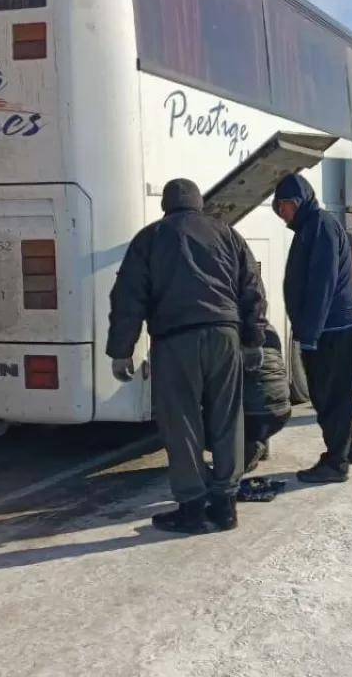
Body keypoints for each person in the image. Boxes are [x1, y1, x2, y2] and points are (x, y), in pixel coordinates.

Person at [107, 178, 266, 534]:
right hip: (225, 335)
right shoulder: (227, 234)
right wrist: (253, 340)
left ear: (166, 204)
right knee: (227, 417)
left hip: (175, 340)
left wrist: (121, 350)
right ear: (199, 203)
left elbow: (128, 296)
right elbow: (252, 288)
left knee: (181, 422)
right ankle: (226, 507)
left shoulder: (150, 238)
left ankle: (192, 509)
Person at [272, 174, 352, 483]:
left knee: (330, 396)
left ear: (296, 202)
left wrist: (309, 333)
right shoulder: (311, 226)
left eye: (281, 205)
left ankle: (336, 463)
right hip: (330, 326)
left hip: (332, 328)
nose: (279, 212)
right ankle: (349, 447)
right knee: (331, 394)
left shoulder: (320, 226)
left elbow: (321, 284)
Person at [242, 323, 291, 472]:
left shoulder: (229, 331)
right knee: (262, 388)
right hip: (282, 414)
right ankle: (261, 444)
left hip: (251, 419)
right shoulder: (271, 330)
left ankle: (248, 447)